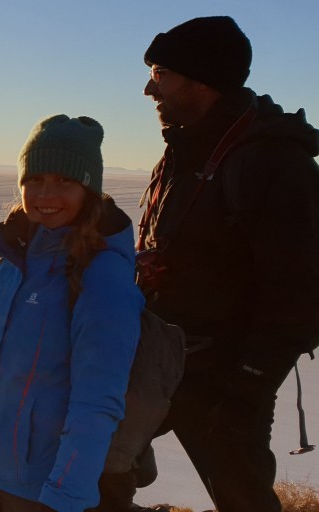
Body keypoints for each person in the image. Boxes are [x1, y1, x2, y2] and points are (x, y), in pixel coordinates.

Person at [134, 16, 319, 511]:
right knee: (88, 462)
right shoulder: (181, 147)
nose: (149, 88)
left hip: (224, 375)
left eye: (160, 73)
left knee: (240, 495)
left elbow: (300, 291)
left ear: (201, 82)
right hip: (157, 354)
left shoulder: (273, 162)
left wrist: (248, 387)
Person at [0, 114, 144, 512]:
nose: (46, 193)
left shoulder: (101, 273)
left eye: (65, 181)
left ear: (88, 188)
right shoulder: (1, 260)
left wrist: (65, 499)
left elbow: (97, 401)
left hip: (44, 492)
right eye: (35, 180)